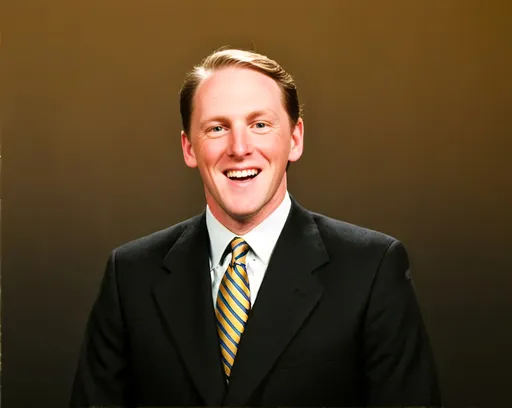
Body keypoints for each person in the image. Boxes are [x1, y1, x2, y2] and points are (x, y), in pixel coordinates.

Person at [70, 48, 442, 407]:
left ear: (294, 139)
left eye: (259, 125)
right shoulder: (130, 275)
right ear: (188, 148)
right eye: (217, 128)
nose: (240, 147)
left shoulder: (371, 268)